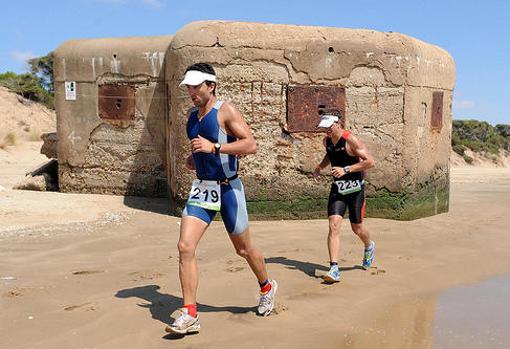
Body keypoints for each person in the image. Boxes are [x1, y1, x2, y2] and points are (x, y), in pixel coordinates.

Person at [166, 63, 277, 335]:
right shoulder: (192, 116)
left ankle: (266, 286)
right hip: (202, 189)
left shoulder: (225, 111)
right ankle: (190, 314)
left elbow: (250, 144)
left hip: (228, 189)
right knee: (185, 246)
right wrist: (195, 158)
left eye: (196, 86)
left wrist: (215, 147)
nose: (191, 91)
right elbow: (202, 149)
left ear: (211, 85)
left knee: (243, 249)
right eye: (188, 87)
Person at [312, 112, 376, 283]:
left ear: (338, 124)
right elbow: (330, 155)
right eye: (324, 128)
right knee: (334, 226)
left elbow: (370, 161)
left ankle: (369, 245)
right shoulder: (327, 141)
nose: (326, 131)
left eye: (329, 127)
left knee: (357, 229)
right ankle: (334, 268)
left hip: (356, 189)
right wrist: (320, 166)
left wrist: (346, 170)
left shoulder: (351, 140)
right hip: (338, 189)